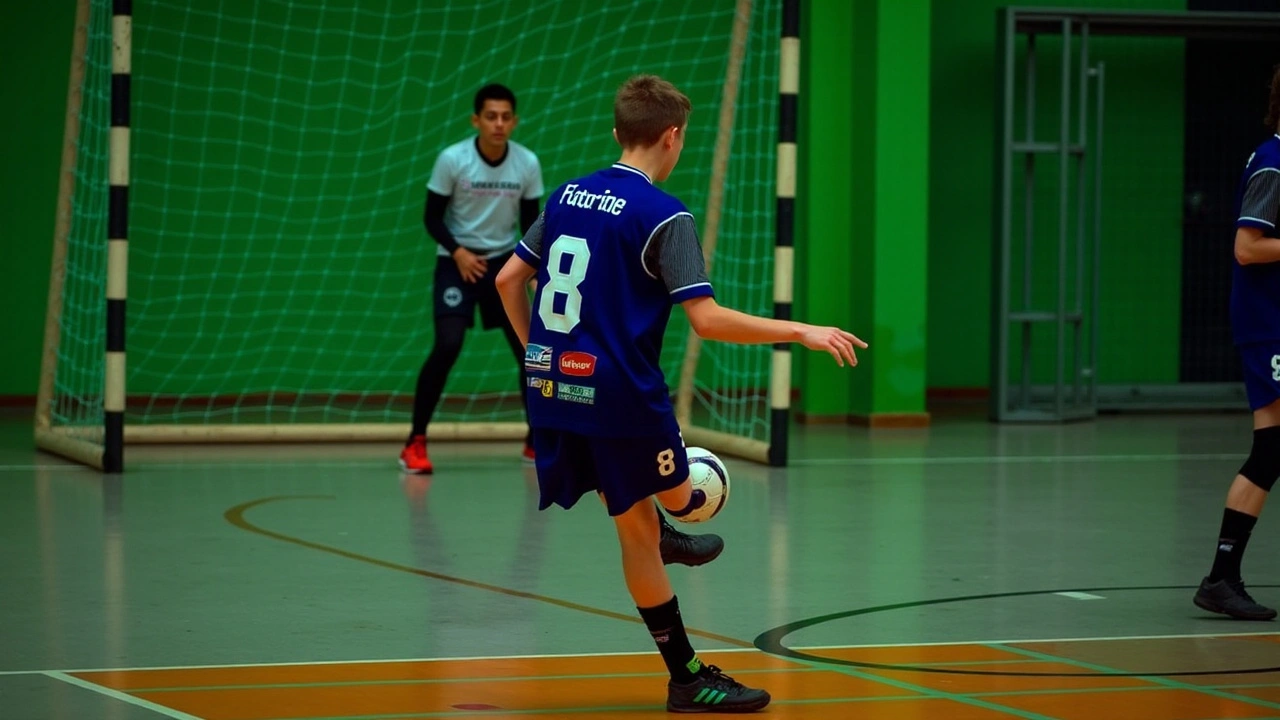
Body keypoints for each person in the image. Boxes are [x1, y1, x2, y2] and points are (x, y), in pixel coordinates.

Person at [495, 74, 866, 713]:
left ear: (617, 133)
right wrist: (801, 329)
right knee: (687, 497)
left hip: (555, 385)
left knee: (635, 524)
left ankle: (683, 658)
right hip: (620, 396)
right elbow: (708, 319)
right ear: (672, 138)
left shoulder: (564, 196)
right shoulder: (664, 216)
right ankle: (685, 653)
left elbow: (507, 279)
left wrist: (537, 353)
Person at [401, 83, 542, 474]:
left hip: (503, 266)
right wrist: (459, 251)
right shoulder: (453, 159)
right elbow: (431, 217)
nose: (498, 124)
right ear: (476, 120)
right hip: (457, 262)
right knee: (448, 345)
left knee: (530, 352)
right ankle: (414, 442)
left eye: (505, 117)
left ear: (514, 121)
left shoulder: (527, 163)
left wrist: (532, 272)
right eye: (490, 116)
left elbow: (531, 224)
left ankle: (537, 440)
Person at [1194, 64, 1280, 621]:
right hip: (1268, 325)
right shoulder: (1273, 162)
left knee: (1274, 450)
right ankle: (1221, 577)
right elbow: (1248, 248)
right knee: (1271, 449)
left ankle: (1221, 578)